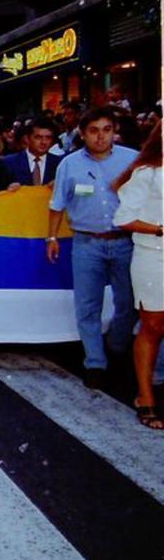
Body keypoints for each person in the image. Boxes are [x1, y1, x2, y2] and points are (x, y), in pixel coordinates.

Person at [47, 106, 142, 388]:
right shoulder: (69, 164)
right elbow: (56, 205)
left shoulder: (132, 160)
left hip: (124, 242)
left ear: (114, 132)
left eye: (106, 130)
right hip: (86, 243)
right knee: (87, 305)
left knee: (128, 304)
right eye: (93, 131)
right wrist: (51, 238)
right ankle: (95, 363)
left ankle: (116, 345)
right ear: (83, 133)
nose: (100, 137)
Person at [112, 122, 164, 428]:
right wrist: (160, 229)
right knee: (153, 326)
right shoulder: (147, 174)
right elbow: (124, 218)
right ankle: (145, 397)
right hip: (152, 256)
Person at [1, 117, 61, 187]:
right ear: (27, 139)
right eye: (38, 137)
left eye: (48, 138)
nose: (44, 142)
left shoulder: (59, 164)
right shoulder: (8, 163)